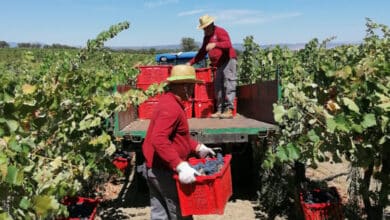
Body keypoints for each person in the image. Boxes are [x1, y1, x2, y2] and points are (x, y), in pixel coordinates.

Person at [142, 64, 216, 220]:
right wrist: (179, 165)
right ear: (184, 86)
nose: (193, 89)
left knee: (160, 215)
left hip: (155, 168)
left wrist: (197, 147)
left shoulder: (170, 102)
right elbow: (159, 139)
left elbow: (177, 137)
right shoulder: (171, 108)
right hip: (164, 172)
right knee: (180, 213)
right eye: (192, 85)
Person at [187, 14, 237, 119]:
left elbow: (228, 44)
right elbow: (202, 52)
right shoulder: (207, 37)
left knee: (228, 83)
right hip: (218, 64)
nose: (204, 30)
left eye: (205, 28)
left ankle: (229, 110)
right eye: (203, 28)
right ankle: (220, 109)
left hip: (228, 60)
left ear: (211, 25)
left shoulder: (220, 31)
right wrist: (190, 63)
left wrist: (215, 44)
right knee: (218, 86)